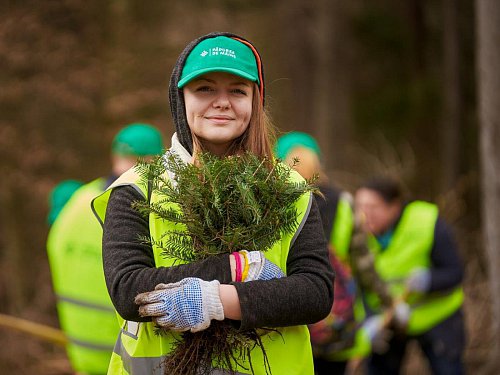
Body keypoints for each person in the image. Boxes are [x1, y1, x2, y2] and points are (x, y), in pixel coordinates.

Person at [91, 32, 334, 374]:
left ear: (255, 100)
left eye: (237, 90)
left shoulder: (289, 188)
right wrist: (237, 268)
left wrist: (220, 302)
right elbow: (129, 289)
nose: (221, 102)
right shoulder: (138, 188)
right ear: (181, 98)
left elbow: (316, 292)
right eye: (204, 88)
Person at [46, 123, 164, 375]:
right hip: (129, 357)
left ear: (115, 154)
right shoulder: (149, 207)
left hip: (81, 355)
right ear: (156, 159)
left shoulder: (77, 203)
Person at [275, 131, 370, 374]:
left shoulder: (270, 201)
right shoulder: (344, 201)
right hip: (334, 320)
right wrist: (383, 307)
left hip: (285, 318)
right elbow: (363, 264)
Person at [354, 176, 465, 375]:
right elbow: (356, 284)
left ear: (394, 207)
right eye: (359, 206)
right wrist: (368, 321)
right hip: (390, 319)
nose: (364, 214)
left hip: (438, 318)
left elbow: (455, 272)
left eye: (373, 207)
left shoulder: (425, 222)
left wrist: (429, 281)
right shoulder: (357, 234)